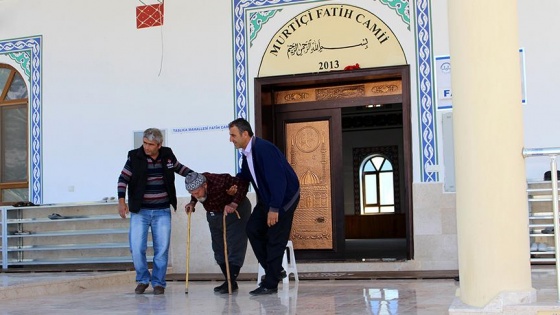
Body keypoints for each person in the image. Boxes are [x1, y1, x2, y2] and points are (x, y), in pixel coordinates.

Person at [228, 118, 300, 296]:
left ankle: (270, 283)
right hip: (267, 199)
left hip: (283, 199)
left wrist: (274, 209)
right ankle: (274, 269)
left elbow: (278, 180)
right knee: (252, 229)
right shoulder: (247, 153)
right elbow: (245, 175)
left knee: (275, 238)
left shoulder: (263, 149)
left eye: (233, 135)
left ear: (245, 134)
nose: (231, 139)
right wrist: (235, 185)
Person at [117, 128, 192, 295]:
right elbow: (123, 179)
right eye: (144, 143)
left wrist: (197, 177)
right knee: (136, 247)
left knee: (162, 249)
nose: (146, 147)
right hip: (140, 211)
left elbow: (179, 168)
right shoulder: (134, 156)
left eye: (150, 144)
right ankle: (143, 279)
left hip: (162, 211)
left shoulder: (167, 155)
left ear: (159, 145)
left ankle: (158, 282)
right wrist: (121, 201)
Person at [184, 171, 251, 294]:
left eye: (197, 193)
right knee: (218, 249)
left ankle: (230, 283)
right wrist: (192, 202)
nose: (196, 195)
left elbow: (243, 184)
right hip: (214, 213)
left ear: (205, 185)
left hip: (235, 212)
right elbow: (195, 193)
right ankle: (230, 282)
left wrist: (233, 203)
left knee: (234, 246)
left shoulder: (220, 181)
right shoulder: (196, 183)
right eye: (191, 193)